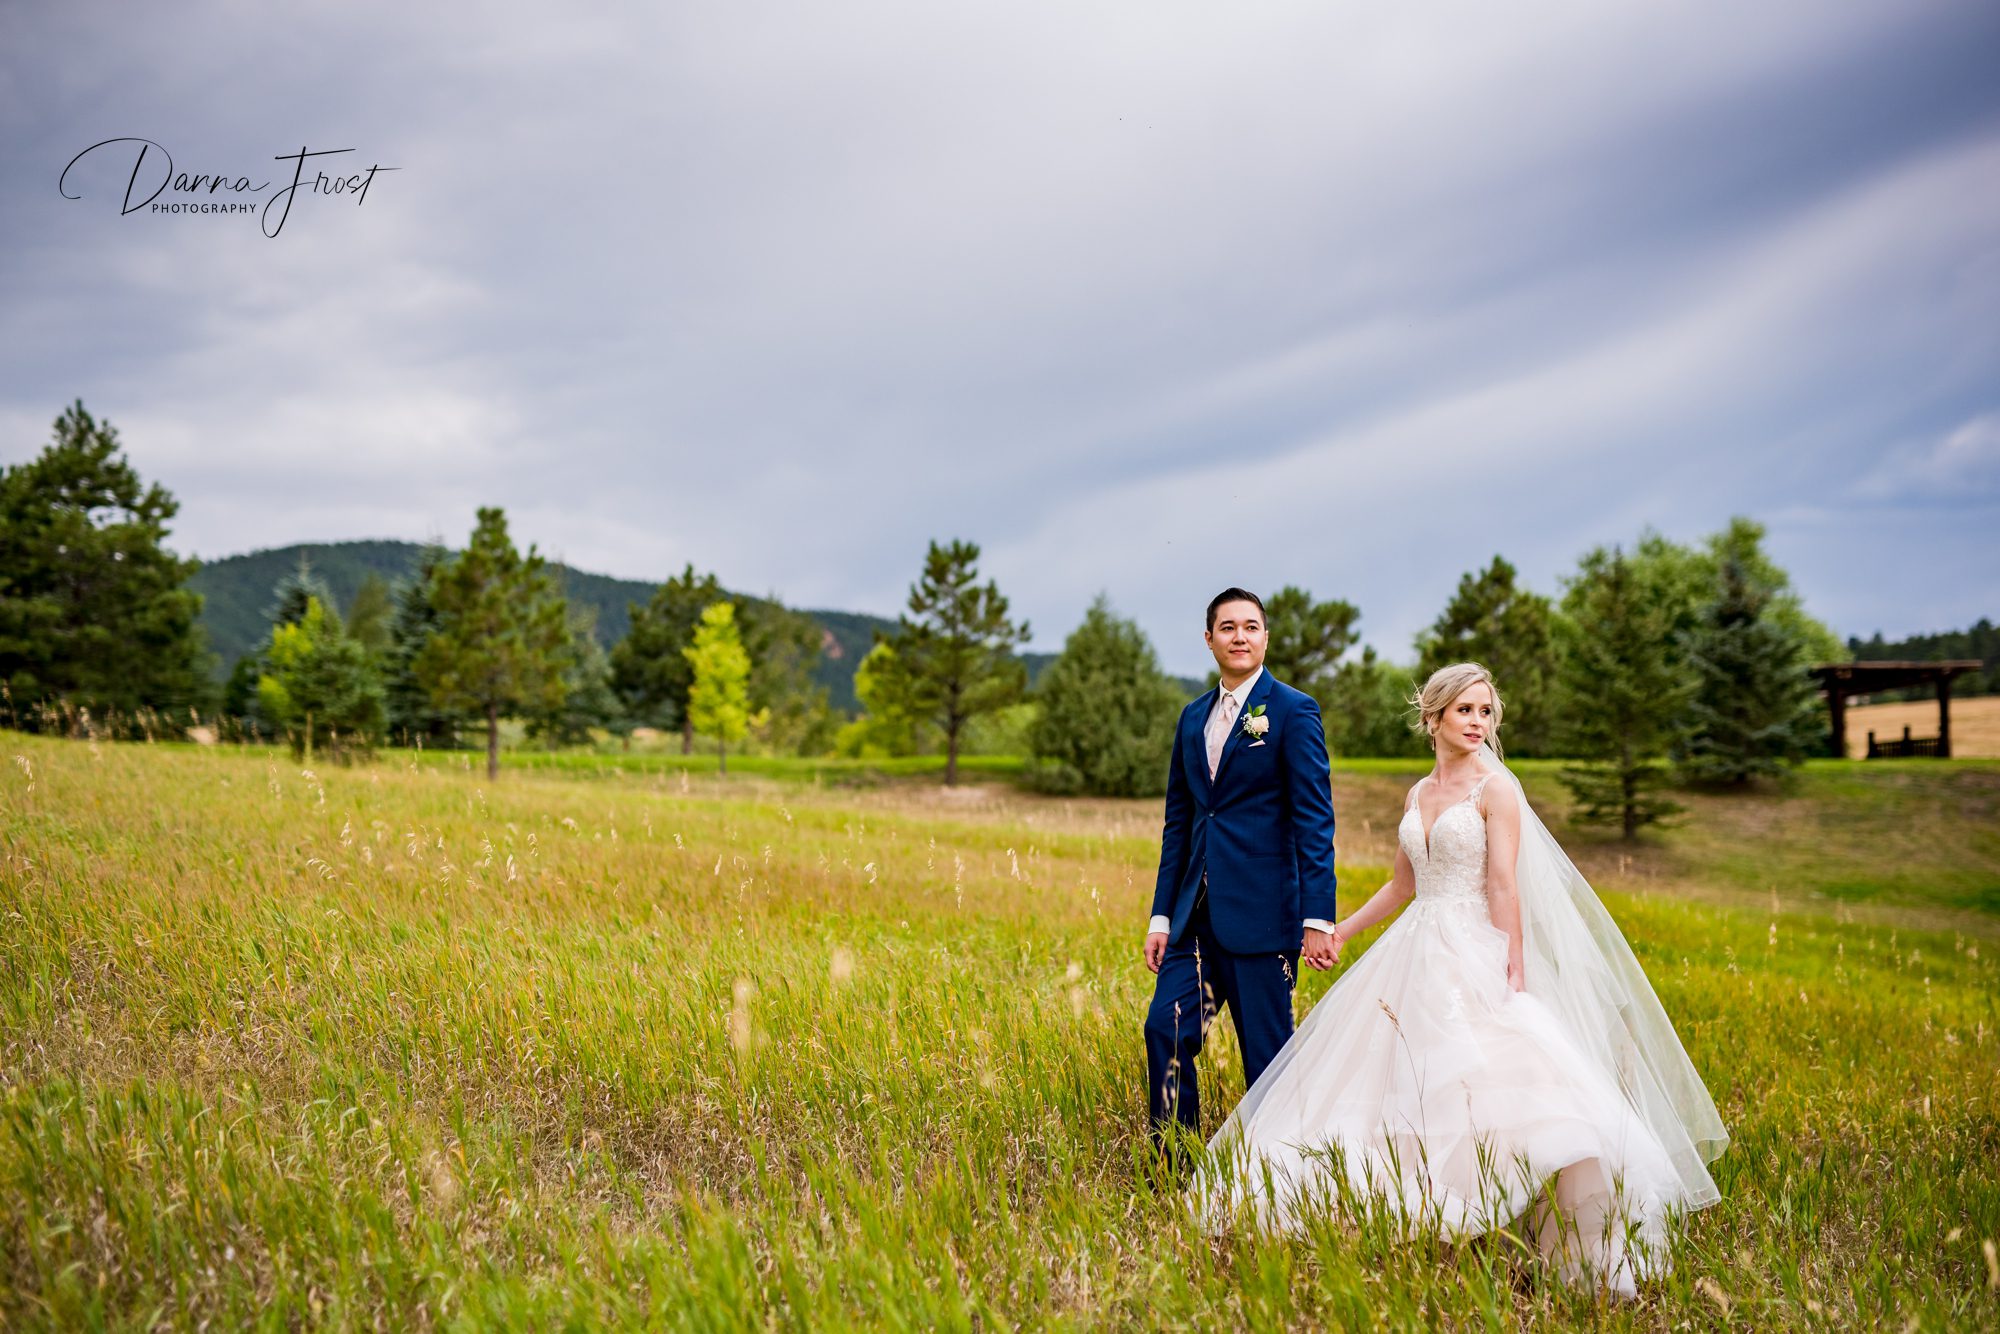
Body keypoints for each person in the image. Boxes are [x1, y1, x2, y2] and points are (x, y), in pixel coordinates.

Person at [1192, 662, 1728, 1294]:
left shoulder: (1496, 790)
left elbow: (1503, 883)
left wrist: (1512, 969)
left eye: (1485, 712)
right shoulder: (1419, 793)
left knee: (1493, 1082)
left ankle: (1509, 1223)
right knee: (1398, 1081)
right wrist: (1340, 931)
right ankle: (1415, 1214)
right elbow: (1402, 882)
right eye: (1465, 710)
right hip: (1414, 946)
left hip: (1475, 944)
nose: (1478, 723)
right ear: (1434, 716)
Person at [1143, 588, 1339, 1166]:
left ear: (1265, 637)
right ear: (1209, 640)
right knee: (1166, 1030)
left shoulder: (1293, 711)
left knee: (1268, 1061)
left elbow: (1314, 819)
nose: (1240, 636)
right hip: (1194, 921)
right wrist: (1161, 914)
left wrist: (1317, 917)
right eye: (1227, 627)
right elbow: (1180, 822)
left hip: (1263, 919)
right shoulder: (1191, 717)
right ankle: (1175, 1168)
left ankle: (1280, 1178)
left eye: (1251, 626)